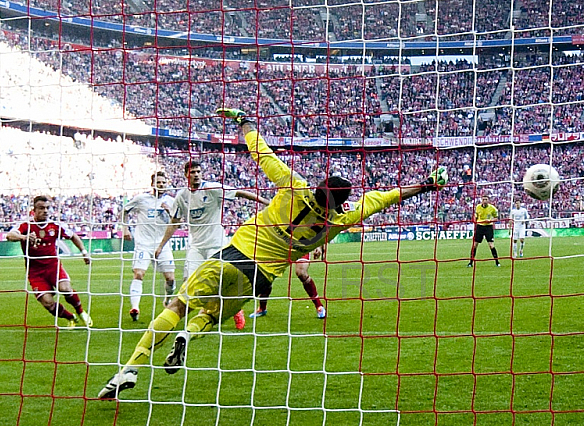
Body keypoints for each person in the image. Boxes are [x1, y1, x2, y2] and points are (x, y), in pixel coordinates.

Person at [97, 108, 447, 399]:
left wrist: (243, 121)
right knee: (210, 317)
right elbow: (389, 197)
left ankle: (128, 370)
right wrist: (429, 183)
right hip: (259, 278)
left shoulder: (294, 185)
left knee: (177, 306)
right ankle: (188, 335)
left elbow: (260, 151)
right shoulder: (342, 219)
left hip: (233, 254)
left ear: (319, 185)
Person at [153, 159, 270, 330]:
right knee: (189, 281)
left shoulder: (213, 188)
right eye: (193, 172)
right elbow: (174, 222)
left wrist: (265, 202)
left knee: (219, 282)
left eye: (198, 172)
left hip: (216, 245)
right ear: (187, 175)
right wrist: (161, 245)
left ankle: (236, 311)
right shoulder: (181, 196)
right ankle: (183, 315)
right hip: (196, 246)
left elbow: (240, 193)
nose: (196, 175)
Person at [7, 195, 92, 329]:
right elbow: (9, 235)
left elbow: (73, 236)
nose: (45, 211)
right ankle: (70, 317)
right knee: (48, 303)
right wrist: (24, 237)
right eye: (41, 208)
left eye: (47, 208)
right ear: (33, 210)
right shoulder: (26, 225)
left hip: (53, 266)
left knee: (65, 289)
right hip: (35, 272)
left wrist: (84, 252)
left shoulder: (55, 225)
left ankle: (81, 312)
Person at [121, 171, 176, 322]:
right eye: (158, 182)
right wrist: (125, 229)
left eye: (163, 182)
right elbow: (125, 210)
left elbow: (178, 220)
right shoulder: (141, 199)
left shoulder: (171, 201)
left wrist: (169, 211)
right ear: (152, 184)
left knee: (170, 278)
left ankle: (167, 299)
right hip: (143, 244)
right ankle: (135, 307)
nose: (161, 185)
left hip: (162, 244)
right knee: (139, 274)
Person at [250, 244, 327, 319]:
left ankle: (319, 306)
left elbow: (319, 232)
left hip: (300, 245)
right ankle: (262, 308)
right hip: (281, 245)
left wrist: (319, 246)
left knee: (301, 273)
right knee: (267, 273)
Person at [468, 194, 500, 267]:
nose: (484, 201)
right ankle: (470, 262)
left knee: (491, 245)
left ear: (488, 200)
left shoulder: (492, 208)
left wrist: (490, 220)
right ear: (481, 200)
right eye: (483, 199)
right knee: (475, 245)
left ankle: (497, 262)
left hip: (488, 227)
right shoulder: (478, 207)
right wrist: (475, 222)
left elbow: (496, 218)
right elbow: (475, 217)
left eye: (486, 199)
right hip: (480, 227)